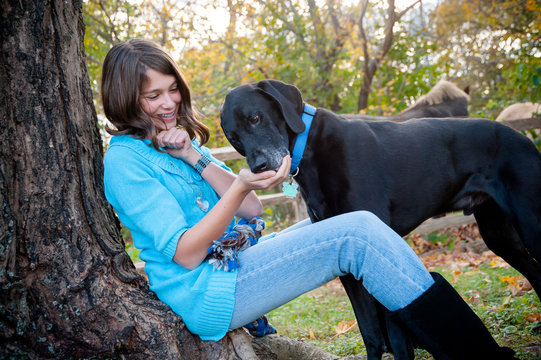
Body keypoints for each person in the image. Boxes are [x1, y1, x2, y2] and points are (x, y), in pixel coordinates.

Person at [101, 39, 516, 359]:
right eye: (153, 96)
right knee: (355, 231)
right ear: (125, 99)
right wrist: (243, 183)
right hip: (207, 291)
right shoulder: (125, 162)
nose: (170, 102)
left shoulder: (178, 143)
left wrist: (192, 155)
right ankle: (476, 354)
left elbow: (250, 210)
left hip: (234, 263)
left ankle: (401, 343)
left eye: (172, 89)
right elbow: (188, 254)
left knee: (350, 222)